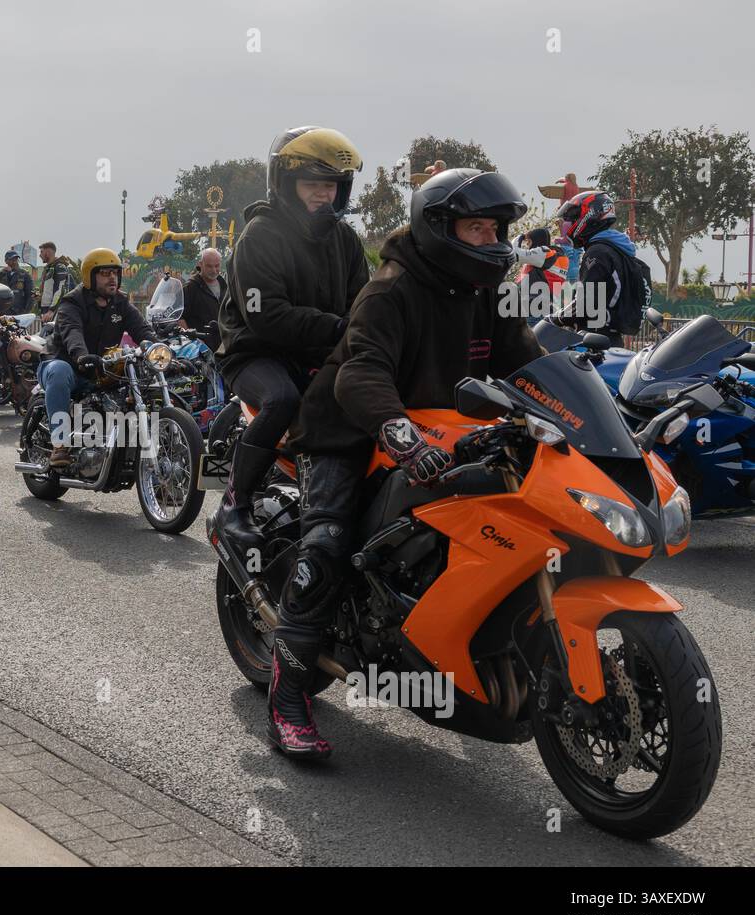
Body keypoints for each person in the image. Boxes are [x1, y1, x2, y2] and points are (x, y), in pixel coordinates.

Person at [273, 168, 542, 760]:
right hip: (345, 433)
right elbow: (360, 373)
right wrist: (405, 440)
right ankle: (288, 699)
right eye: (477, 228)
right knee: (324, 548)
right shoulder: (392, 289)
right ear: (439, 227)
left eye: (497, 228)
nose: (492, 240)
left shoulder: (489, 292)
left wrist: (584, 413)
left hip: (446, 437)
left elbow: (527, 363)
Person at [210, 126, 370, 563]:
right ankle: (233, 505)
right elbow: (267, 317)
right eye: (312, 184)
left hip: (319, 352)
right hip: (255, 352)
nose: (324, 194)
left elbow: (367, 301)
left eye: (332, 185)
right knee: (281, 399)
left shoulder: (346, 240)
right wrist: (339, 329)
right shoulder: (260, 235)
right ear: (285, 183)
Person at [40, 248, 157, 468]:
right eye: (105, 273)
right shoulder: (72, 303)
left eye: (115, 273)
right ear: (90, 277)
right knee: (59, 371)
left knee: (138, 385)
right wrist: (82, 355)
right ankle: (60, 443)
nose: (112, 278)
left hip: (101, 370)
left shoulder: (120, 303)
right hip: (70, 367)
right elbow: (72, 332)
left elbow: (143, 330)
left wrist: (161, 351)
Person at [556, 190, 651, 347]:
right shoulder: (617, 249)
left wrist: (556, 318)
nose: (568, 223)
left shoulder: (597, 253)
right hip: (610, 340)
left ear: (589, 215)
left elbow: (585, 303)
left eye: (573, 218)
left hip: (593, 341)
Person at [512, 227, 569, 323]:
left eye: (529, 242)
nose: (527, 246)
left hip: (535, 311)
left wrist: (519, 237)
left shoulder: (544, 253)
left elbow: (514, 253)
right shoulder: (553, 257)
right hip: (543, 309)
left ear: (536, 241)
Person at [181, 248, 227, 349]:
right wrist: (192, 341)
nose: (214, 270)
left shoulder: (225, 285)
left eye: (217, 266)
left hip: (224, 348)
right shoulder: (190, 287)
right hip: (201, 349)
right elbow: (180, 317)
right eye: (209, 266)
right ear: (200, 264)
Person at [35, 241, 74, 322]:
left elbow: (61, 290)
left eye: (42, 252)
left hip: (54, 311)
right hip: (45, 310)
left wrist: (52, 310)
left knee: (53, 334)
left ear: (48, 252)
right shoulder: (48, 268)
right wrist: (39, 297)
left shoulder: (59, 267)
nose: (40, 255)